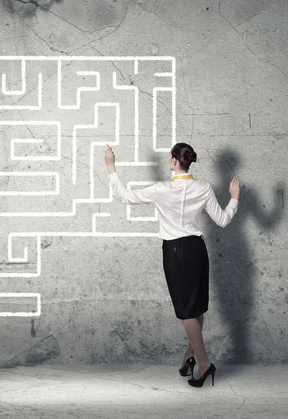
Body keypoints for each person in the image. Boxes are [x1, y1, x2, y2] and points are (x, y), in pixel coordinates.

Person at [104, 142, 240, 388]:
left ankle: (204, 363)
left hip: (175, 251)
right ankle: (189, 358)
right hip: (197, 249)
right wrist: (234, 199)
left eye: (170, 157)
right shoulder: (204, 188)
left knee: (187, 312)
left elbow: (124, 197)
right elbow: (222, 220)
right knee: (195, 309)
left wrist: (111, 167)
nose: (169, 160)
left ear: (175, 161)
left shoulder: (161, 189)